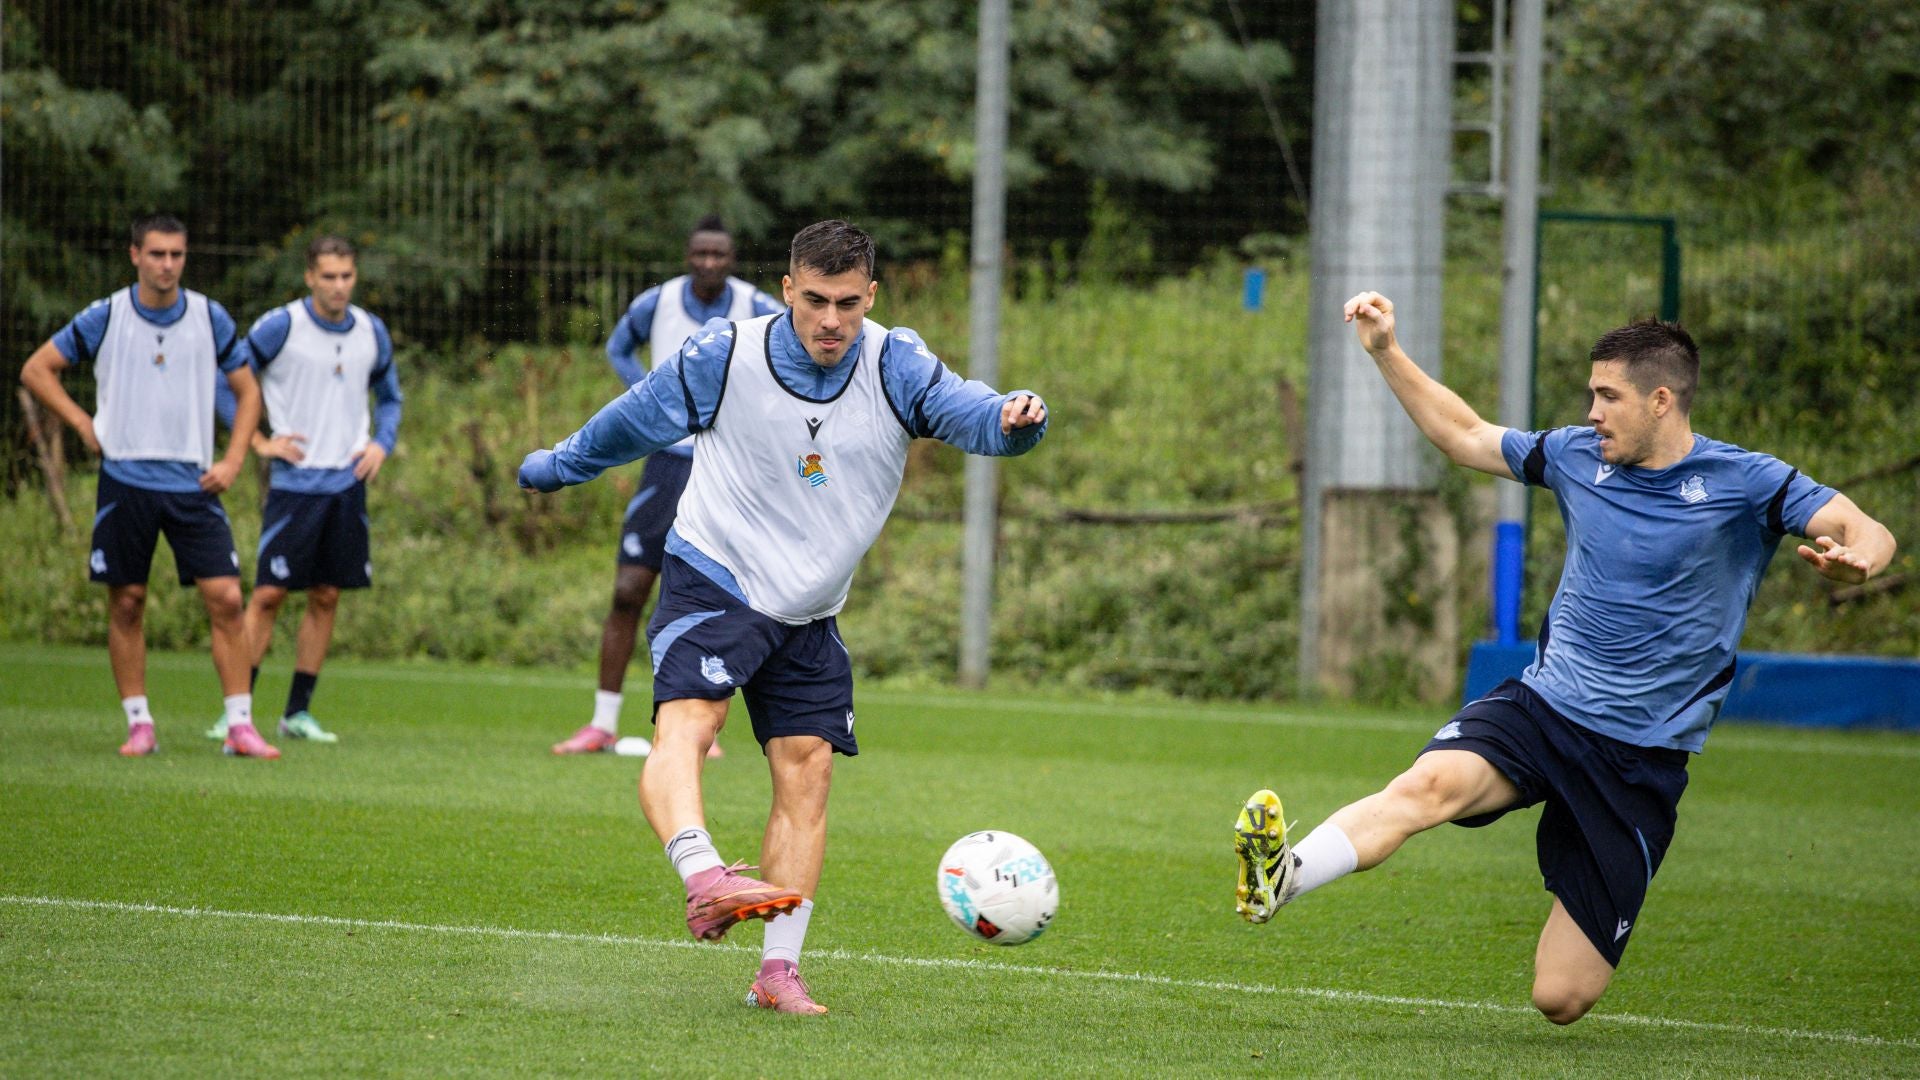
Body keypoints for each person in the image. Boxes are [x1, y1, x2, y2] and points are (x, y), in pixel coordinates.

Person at [1233, 291, 1897, 1025]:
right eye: (1591, 394)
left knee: (1560, 997)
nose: (1592, 412)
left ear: (1661, 400)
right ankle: (1284, 877)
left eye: (1608, 396)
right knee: (1426, 787)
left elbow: (1860, 524)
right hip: (1544, 710)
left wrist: (1857, 559)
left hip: (1639, 762)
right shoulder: (1579, 457)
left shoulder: (1747, 482)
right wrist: (1386, 351)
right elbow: (1464, 435)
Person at [519, 220, 1048, 1015]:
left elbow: (965, 410)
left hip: (810, 607)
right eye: (814, 301)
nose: (831, 321)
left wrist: (1011, 420)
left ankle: (776, 973)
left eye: (847, 303)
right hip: (716, 576)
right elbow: (634, 417)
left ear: (871, 297)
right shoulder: (724, 356)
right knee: (689, 726)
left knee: (808, 767)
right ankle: (704, 875)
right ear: (787, 290)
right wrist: (564, 463)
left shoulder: (894, 361)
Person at [18, 214, 277, 758]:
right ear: (135, 255)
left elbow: (247, 392)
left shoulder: (210, 316)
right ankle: (140, 723)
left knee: (227, 597)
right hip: (126, 478)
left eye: (176, 255)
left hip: (192, 481)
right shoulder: (106, 315)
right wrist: (84, 423)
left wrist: (232, 460)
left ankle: (240, 725)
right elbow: (38, 369)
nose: (167, 265)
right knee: (129, 601)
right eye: (157, 254)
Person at [553, 215, 782, 757]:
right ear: (687, 255)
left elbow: (787, 359)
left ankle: (707, 725)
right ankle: (602, 722)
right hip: (667, 464)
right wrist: (654, 401)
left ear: (731, 259)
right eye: (699, 253)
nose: (708, 262)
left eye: (718, 254)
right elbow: (617, 350)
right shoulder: (657, 303)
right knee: (629, 589)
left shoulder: (757, 307)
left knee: (727, 595)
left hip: (728, 467)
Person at [205, 234, 403, 745]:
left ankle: (297, 713)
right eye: (329, 277)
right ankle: (237, 712)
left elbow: (391, 397)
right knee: (269, 594)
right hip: (294, 484)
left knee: (326, 594)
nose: (339, 286)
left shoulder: (370, 330)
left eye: (347, 277)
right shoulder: (281, 326)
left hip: (348, 482)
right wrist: (258, 441)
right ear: (310, 277)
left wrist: (381, 443)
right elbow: (226, 382)